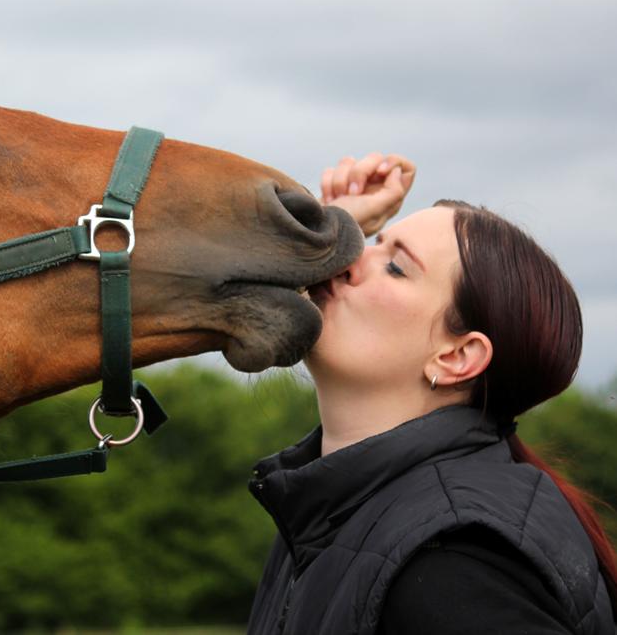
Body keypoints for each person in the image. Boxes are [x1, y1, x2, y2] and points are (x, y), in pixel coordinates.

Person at [246, 153, 617, 634]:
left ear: (456, 357)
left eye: (395, 267)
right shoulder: (331, 515)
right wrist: (317, 232)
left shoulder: (454, 562)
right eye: (371, 242)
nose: (350, 258)